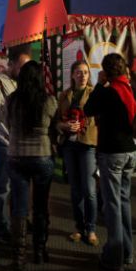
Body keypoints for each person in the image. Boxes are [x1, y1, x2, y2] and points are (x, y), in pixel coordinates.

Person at [84, 53, 136, 271]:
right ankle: (127, 252)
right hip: (129, 152)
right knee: (124, 202)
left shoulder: (108, 93)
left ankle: (114, 258)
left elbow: (88, 110)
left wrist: (99, 84)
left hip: (112, 154)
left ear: (106, 71)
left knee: (112, 205)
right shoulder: (127, 88)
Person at [6, 60, 58, 271]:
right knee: (40, 205)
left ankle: (19, 258)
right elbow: (54, 126)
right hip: (42, 156)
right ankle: (39, 250)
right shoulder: (49, 101)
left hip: (17, 156)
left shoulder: (11, 101)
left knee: (19, 207)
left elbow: (8, 125)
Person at [0, 49, 31, 244]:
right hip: (4, 142)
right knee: (2, 186)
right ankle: (0, 226)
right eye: (22, 66)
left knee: (20, 186)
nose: (24, 71)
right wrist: (16, 106)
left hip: (22, 143)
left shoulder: (24, 84)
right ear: (11, 64)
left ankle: (18, 222)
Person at [56, 60, 99, 247]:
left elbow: (99, 118)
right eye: (79, 72)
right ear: (72, 75)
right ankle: (79, 227)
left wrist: (84, 124)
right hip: (69, 146)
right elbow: (56, 121)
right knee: (75, 190)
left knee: (89, 190)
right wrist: (63, 126)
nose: (82, 76)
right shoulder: (64, 95)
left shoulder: (95, 94)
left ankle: (91, 229)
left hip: (88, 144)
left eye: (86, 72)